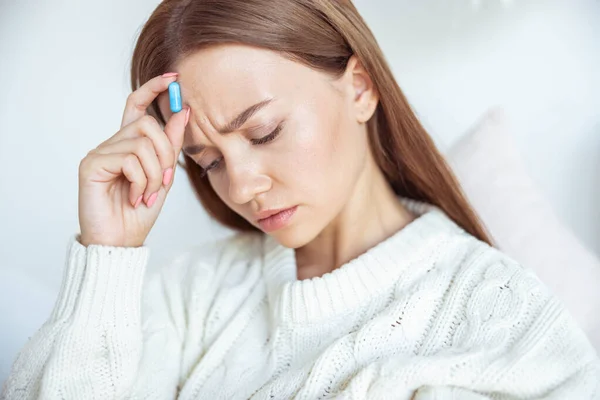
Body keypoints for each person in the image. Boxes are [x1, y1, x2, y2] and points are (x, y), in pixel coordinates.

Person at [2, 0, 599, 398]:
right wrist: (107, 254)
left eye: (264, 133)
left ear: (359, 88)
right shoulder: (191, 296)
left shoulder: (496, 315)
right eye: (207, 162)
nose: (240, 187)